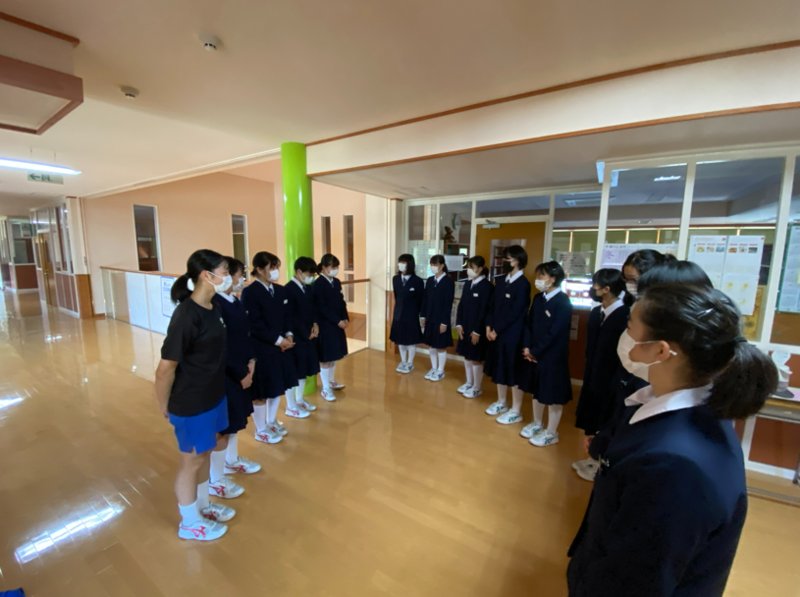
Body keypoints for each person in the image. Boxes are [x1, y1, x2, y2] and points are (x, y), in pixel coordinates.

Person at [567, 284, 778, 597]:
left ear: (661, 351)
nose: (626, 337)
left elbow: (634, 581)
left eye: (630, 327)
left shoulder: (673, 466)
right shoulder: (673, 408)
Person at [154, 249, 235, 541]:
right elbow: (165, 369)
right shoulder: (186, 315)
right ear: (206, 275)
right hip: (191, 401)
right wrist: (164, 405)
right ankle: (189, 523)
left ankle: (202, 506)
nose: (228, 277)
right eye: (225, 272)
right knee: (191, 461)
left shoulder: (214, 308)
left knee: (204, 454)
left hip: (213, 396)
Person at [572, 269, 629, 479]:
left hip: (611, 378)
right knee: (591, 414)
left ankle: (601, 461)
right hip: (592, 373)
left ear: (606, 289)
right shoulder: (597, 312)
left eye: (595, 284)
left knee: (606, 415)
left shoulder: (625, 315)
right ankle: (592, 456)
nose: (592, 288)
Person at [211, 257, 261, 485]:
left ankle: (231, 460)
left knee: (236, 420)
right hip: (229, 375)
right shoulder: (216, 305)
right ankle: (216, 476)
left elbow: (245, 335)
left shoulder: (234, 301)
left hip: (243, 369)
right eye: (239, 275)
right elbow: (223, 347)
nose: (242, 279)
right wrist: (240, 374)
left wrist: (251, 361)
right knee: (225, 424)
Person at [241, 252, 297, 444]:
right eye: (271, 267)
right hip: (263, 348)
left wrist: (289, 335)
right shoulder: (250, 293)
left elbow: (288, 316)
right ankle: (260, 429)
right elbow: (254, 324)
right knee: (262, 391)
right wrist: (278, 340)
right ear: (259, 269)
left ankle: (271, 421)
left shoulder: (280, 291)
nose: (275, 271)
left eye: (276, 267)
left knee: (277, 386)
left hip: (282, 347)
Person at [517, 261, 573, 446]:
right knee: (537, 390)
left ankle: (551, 432)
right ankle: (537, 423)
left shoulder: (563, 302)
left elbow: (555, 333)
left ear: (553, 278)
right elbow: (529, 324)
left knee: (552, 394)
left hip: (552, 356)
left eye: (541, 276)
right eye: (537, 276)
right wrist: (527, 347)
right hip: (533, 354)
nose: (538, 279)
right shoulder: (538, 298)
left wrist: (535, 351)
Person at [484, 245, 532, 419]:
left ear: (517, 261)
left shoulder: (523, 284)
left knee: (513, 370)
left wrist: (497, 330)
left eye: (508, 259)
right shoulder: (501, 280)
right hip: (496, 333)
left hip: (513, 335)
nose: (504, 261)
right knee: (500, 368)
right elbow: (492, 305)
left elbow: (516, 312)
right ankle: (502, 401)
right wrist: (489, 326)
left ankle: (516, 409)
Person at [285, 256, 322, 413]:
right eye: (309, 273)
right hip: (297, 337)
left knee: (304, 370)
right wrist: (305, 333)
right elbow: (290, 316)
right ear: (299, 271)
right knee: (294, 371)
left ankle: (299, 399)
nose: (311, 277)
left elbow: (312, 309)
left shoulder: (307, 288)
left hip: (308, 335)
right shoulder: (288, 289)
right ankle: (290, 404)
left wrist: (315, 324)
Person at [455, 256, 493, 399]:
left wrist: (477, 331)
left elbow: (485, 310)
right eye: (468, 267)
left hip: (477, 329)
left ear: (480, 269)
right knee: (467, 356)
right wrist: (459, 323)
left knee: (475, 357)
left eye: (472, 267)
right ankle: (469, 382)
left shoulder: (487, 287)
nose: (469, 270)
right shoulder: (467, 284)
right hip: (465, 326)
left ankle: (477, 387)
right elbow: (461, 305)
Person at [314, 254, 350, 401]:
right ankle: (325, 388)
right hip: (326, 325)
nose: (335, 269)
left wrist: (345, 318)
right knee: (326, 357)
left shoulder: (336, 282)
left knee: (335, 354)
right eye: (332, 267)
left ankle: (331, 380)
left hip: (337, 324)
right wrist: (337, 321)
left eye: (337, 266)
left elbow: (341, 302)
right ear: (324, 267)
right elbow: (322, 308)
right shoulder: (318, 284)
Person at [421, 255, 456, 382]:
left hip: (441, 319)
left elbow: (448, 304)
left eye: (435, 265)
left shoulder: (448, 282)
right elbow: (425, 299)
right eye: (431, 265)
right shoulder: (430, 280)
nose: (433, 267)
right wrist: (423, 316)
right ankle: (434, 368)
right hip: (430, 318)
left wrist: (444, 323)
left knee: (440, 346)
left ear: (442, 266)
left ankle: (440, 370)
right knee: (431, 345)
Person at [390, 254, 425, 373]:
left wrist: (421, 315)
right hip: (398, 314)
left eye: (404, 262)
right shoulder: (395, 279)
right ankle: (403, 361)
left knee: (410, 340)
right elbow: (397, 296)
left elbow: (420, 299)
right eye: (400, 262)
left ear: (409, 264)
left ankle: (410, 362)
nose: (401, 265)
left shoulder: (417, 281)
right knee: (400, 340)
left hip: (412, 315)